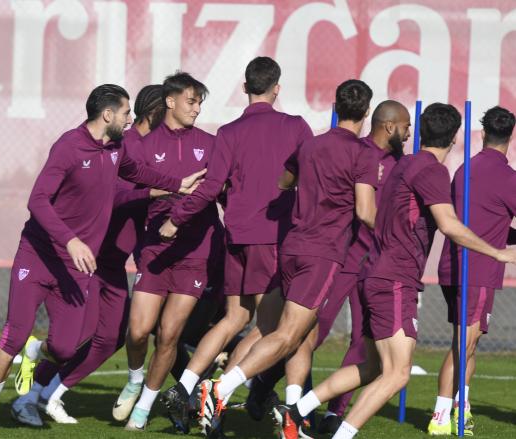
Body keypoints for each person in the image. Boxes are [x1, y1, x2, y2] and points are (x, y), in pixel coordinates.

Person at [0, 83, 204, 438]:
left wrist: (177, 184)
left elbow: (139, 175)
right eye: (126, 113)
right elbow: (37, 201)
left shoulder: (117, 148)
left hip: (77, 265)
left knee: (65, 347)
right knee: (14, 334)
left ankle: (37, 352)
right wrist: (71, 239)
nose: (130, 120)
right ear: (108, 114)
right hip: (38, 255)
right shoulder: (68, 146)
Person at [278, 103, 516, 439]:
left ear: (418, 130)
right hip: (394, 279)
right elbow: (448, 225)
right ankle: (339, 435)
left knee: (373, 366)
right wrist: (497, 253)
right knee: (398, 374)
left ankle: (295, 410)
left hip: (373, 271)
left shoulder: (404, 164)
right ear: (454, 138)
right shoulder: (433, 171)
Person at [198, 79, 378, 438]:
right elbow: (365, 211)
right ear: (367, 111)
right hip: (322, 253)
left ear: (336, 107)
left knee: (301, 336)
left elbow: (283, 181)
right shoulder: (363, 153)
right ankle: (220, 389)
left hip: (292, 246)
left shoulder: (311, 144)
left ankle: (294, 413)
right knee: (286, 334)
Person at [157, 56, 313, 434]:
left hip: (237, 235)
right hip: (270, 237)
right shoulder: (295, 127)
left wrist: (176, 217)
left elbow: (212, 187)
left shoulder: (228, 131)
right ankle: (219, 396)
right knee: (270, 330)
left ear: (245, 88)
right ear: (277, 88)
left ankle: (185, 386)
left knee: (234, 319)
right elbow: (313, 177)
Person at [8, 84, 168, 426]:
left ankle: (51, 393)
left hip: (114, 261)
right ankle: (29, 397)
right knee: (77, 336)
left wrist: (172, 184)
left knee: (110, 338)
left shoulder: (126, 145)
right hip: (90, 257)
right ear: (156, 111)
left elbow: (137, 179)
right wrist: (153, 192)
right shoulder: (121, 143)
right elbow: (115, 195)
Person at [248, 100, 411, 434]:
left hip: (376, 266)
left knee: (361, 342)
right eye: (406, 127)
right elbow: (297, 182)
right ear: (387, 125)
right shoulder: (356, 151)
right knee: (307, 335)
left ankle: (336, 412)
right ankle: (263, 387)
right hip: (343, 259)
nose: (408, 135)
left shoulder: (403, 164)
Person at [113, 72, 222, 431]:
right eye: (191, 100)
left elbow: (221, 192)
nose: (197, 108)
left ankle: (144, 405)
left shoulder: (210, 143)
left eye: (200, 102)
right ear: (171, 102)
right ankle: (133, 378)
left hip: (196, 253)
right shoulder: (141, 145)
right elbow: (121, 194)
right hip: (156, 249)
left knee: (170, 335)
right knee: (139, 330)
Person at [428, 106, 516, 436]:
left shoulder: (465, 169)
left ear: (482, 134)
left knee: (469, 344)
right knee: (463, 345)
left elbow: (482, 221)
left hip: (452, 265)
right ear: (510, 137)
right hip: (477, 271)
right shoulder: (507, 177)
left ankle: (460, 408)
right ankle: (439, 416)